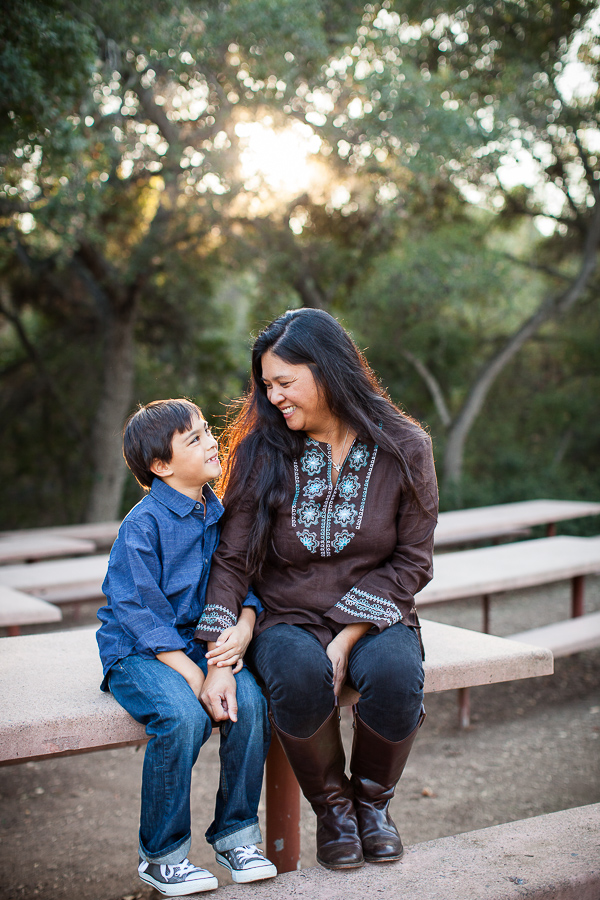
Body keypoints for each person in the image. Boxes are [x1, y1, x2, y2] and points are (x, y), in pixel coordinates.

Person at [195, 309, 438, 871]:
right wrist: (220, 652)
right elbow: (232, 559)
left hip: (378, 612)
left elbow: (413, 560)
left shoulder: (405, 447)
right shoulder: (261, 451)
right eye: (266, 386)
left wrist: (348, 636)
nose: (273, 397)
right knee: (300, 676)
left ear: (328, 370)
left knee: (398, 675)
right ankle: (334, 812)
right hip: (285, 615)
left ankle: (372, 807)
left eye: (285, 382)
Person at [96, 399, 277, 896]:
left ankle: (236, 835)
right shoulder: (143, 524)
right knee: (183, 716)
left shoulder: (217, 512)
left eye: (206, 431)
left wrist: (243, 625)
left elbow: (242, 581)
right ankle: (163, 856)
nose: (211, 441)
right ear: (161, 466)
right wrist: (194, 676)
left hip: (204, 641)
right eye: (193, 439)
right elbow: (136, 611)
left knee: (252, 705)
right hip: (139, 652)